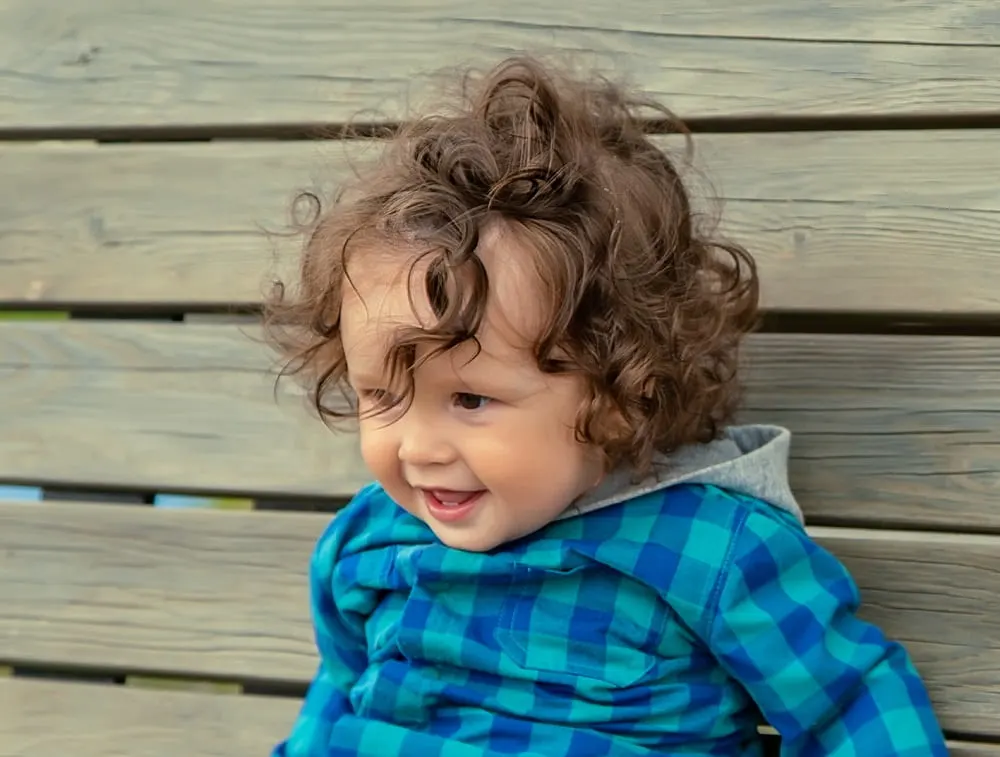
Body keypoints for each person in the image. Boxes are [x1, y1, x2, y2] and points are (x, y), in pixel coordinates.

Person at [263, 55, 947, 756]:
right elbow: (340, 690)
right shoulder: (368, 540)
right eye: (381, 395)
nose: (417, 447)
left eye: (469, 398)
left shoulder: (709, 548)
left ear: (621, 397)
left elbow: (849, 705)